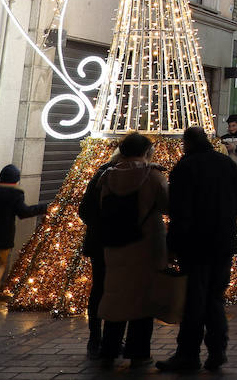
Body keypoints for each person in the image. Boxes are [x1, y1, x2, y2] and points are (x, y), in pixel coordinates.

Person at [156, 127, 237, 373]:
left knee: (194, 300)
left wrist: (172, 246)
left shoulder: (186, 167)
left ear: (187, 144)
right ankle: (217, 351)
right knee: (214, 298)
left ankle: (188, 354)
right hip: (223, 243)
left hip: (196, 245)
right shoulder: (226, 164)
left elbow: (179, 212)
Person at [91, 132, 169, 369]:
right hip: (145, 245)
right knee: (143, 299)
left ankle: (109, 349)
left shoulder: (107, 176)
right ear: (146, 151)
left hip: (114, 243)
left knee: (115, 295)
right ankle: (138, 353)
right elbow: (167, 205)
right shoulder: (153, 175)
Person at [78, 148, 121, 358]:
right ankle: (109, 340)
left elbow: (83, 210)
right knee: (115, 290)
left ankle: (95, 337)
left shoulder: (100, 173)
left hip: (98, 242)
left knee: (98, 289)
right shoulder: (128, 175)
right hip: (119, 244)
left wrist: (96, 225)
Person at [0, 164, 47, 300]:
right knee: (1, 264)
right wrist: (44, 208)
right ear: (16, 180)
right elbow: (23, 212)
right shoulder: (16, 193)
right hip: (5, 234)